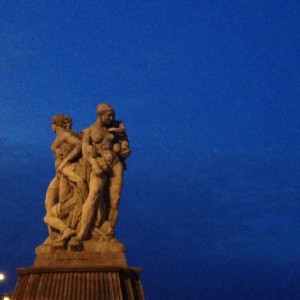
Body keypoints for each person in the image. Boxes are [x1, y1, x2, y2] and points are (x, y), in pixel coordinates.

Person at [75, 103, 130, 241]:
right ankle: (83, 232)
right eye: (108, 115)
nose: (111, 118)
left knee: (115, 200)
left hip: (115, 164)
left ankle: (109, 234)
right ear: (99, 115)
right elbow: (85, 150)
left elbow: (124, 142)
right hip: (99, 164)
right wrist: (94, 164)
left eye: (113, 115)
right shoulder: (90, 131)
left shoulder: (117, 127)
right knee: (93, 195)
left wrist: (125, 149)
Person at [44, 114, 86, 242]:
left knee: (63, 204)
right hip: (59, 174)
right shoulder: (60, 135)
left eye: (52, 124)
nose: (51, 127)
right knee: (48, 202)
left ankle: (66, 232)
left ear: (56, 124)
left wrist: (64, 163)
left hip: (65, 173)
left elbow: (80, 145)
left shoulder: (64, 134)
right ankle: (54, 235)